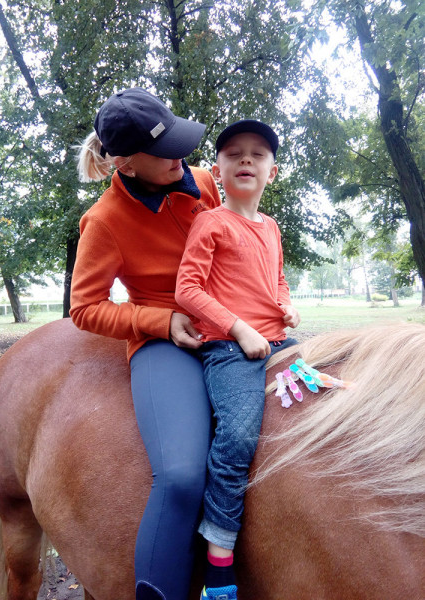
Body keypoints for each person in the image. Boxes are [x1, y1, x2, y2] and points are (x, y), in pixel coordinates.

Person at [70, 87, 222, 600]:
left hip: (232, 325)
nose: (181, 158)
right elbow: (85, 308)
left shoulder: (204, 183)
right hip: (167, 342)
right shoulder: (104, 221)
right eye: (165, 152)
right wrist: (160, 321)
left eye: (179, 142)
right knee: (180, 476)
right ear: (126, 164)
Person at [175, 120, 300, 600]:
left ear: (272, 171)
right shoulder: (211, 222)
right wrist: (239, 328)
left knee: (327, 393)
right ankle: (219, 555)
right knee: (239, 434)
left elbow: (277, 279)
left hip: (278, 340)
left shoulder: (272, 227)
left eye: (258, 154)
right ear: (217, 170)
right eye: (233, 153)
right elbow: (188, 290)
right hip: (229, 350)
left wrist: (286, 305)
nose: (246, 159)